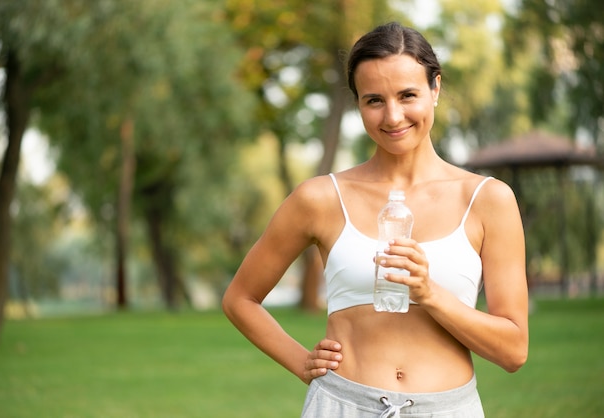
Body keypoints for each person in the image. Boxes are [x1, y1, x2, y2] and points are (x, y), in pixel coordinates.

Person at [222, 21, 528, 417]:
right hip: (341, 405)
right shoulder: (320, 198)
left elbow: (514, 351)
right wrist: (301, 362)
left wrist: (429, 293)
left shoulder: (488, 200)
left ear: (435, 88)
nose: (394, 116)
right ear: (358, 105)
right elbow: (240, 299)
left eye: (408, 95)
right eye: (374, 100)